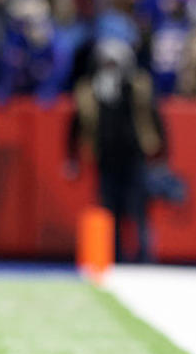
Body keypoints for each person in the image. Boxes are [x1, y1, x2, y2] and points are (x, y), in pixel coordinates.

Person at [66, 40, 166, 262]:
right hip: (105, 157)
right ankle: (114, 255)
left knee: (138, 208)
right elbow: (75, 126)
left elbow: (156, 118)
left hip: (133, 155)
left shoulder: (137, 86)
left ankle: (145, 256)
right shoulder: (89, 90)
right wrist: (71, 157)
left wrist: (162, 153)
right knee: (109, 210)